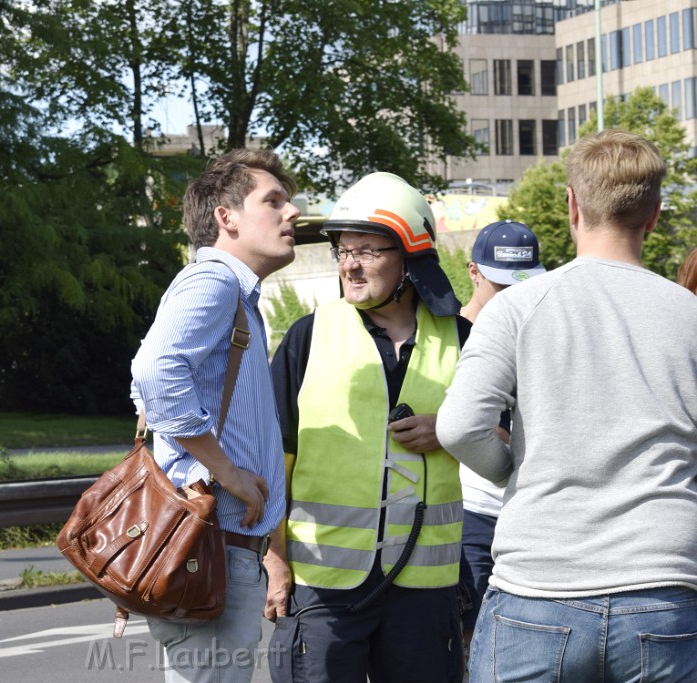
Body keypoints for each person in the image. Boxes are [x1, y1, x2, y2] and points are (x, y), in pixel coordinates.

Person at [437, 129, 697, 682]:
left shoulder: (519, 308)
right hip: (664, 584)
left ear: (572, 206)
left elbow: (459, 426)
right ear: (654, 214)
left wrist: (514, 473)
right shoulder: (689, 315)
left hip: (539, 584)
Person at [266, 171, 470, 683]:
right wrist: (275, 562)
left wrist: (450, 430)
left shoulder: (466, 341)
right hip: (322, 586)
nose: (350, 265)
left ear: (412, 255)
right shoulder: (308, 337)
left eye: (368, 251)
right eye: (342, 251)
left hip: (425, 589)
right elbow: (271, 459)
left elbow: (516, 442)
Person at [130, 148, 299, 682]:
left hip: (224, 553)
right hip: (210, 553)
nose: (292, 212)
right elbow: (155, 372)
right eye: (273, 201)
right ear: (226, 218)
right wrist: (225, 473)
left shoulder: (238, 295)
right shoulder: (215, 282)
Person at [457, 220, 545, 644]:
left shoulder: (541, 335)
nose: (515, 296)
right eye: (502, 285)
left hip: (531, 517)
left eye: (522, 284)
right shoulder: (446, 338)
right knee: (469, 643)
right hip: (469, 513)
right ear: (473, 272)